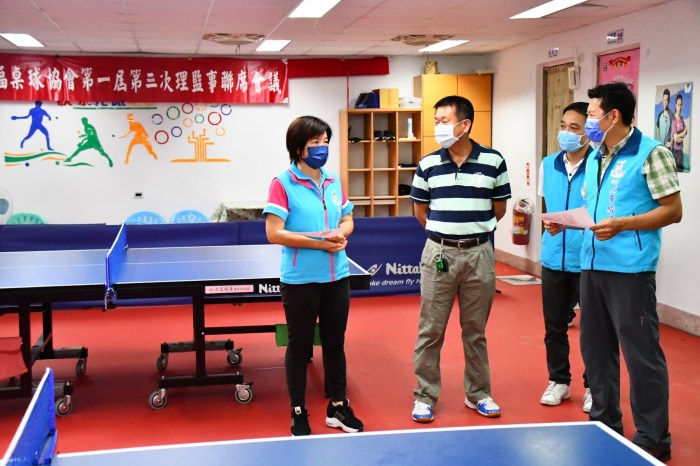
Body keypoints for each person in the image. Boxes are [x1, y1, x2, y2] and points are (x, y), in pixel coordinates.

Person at [580, 82, 681, 461]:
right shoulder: (595, 155)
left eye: (591, 115)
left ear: (613, 116)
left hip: (630, 270)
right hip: (592, 264)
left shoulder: (651, 153)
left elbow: (672, 210)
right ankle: (605, 421)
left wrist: (625, 224)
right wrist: (566, 223)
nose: (588, 122)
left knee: (641, 354)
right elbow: (595, 208)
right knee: (595, 349)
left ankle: (654, 436)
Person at [409, 95, 511, 423]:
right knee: (430, 329)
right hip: (439, 251)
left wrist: (471, 233)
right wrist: (446, 235)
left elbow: (499, 209)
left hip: (479, 253)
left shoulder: (493, 161)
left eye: (444, 121)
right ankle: (425, 395)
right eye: (436, 121)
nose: (438, 127)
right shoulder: (428, 164)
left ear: (464, 124)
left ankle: (478, 393)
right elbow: (420, 211)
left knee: (475, 330)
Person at [263, 115, 363, 437]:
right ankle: (298, 410)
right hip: (300, 280)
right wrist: (318, 242)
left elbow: (348, 219)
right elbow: (274, 232)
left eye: (325, 142)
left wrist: (342, 233)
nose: (323, 148)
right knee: (299, 345)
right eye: (315, 143)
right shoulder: (283, 183)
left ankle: (338, 406)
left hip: (337, 277)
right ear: (298, 148)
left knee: (335, 343)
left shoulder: (333, 181)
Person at [538, 102, 592, 412]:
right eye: (563, 126)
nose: (566, 133)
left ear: (587, 132)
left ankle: (593, 385)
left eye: (574, 128)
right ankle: (558, 380)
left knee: (593, 329)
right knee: (554, 327)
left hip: (587, 259)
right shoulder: (548, 164)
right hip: (552, 258)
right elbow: (549, 204)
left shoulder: (598, 164)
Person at [670, 94, 688, 171]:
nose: (679, 107)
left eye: (681, 105)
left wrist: (679, 135)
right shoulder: (674, 120)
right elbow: (676, 139)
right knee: (675, 171)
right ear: (675, 105)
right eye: (678, 105)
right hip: (675, 151)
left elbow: (686, 131)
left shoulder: (682, 119)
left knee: (682, 171)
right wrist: (682, 134)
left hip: (681, 151)